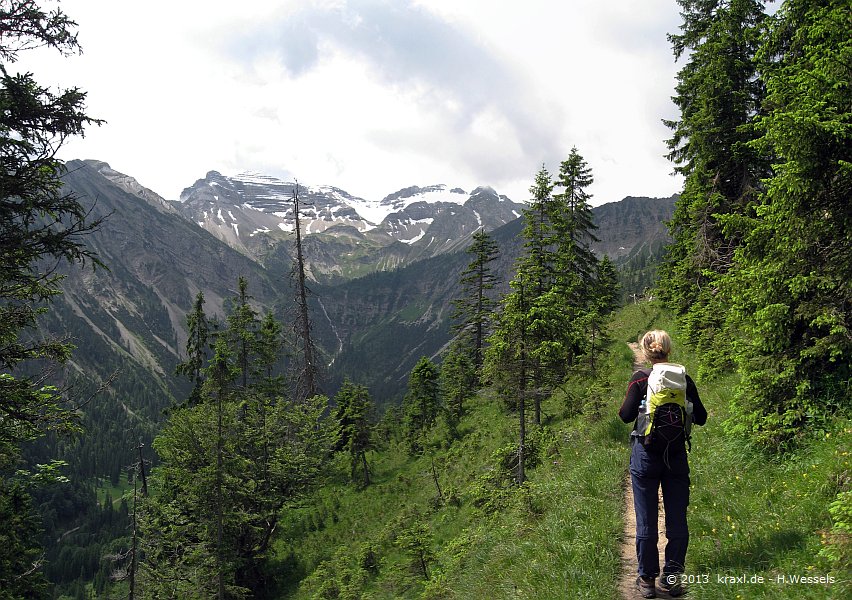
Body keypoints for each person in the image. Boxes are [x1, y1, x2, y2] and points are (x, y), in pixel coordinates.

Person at [619, 330, 707, 598]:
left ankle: (646, 580)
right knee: (677, 519)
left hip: (645, 456)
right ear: (669, 350)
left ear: (646, 352)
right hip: (676, 456)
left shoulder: (641, 378)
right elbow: (701, 418)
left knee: (646, 519)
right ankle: (671, 578)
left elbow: (625, 416)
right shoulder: (683, 379)